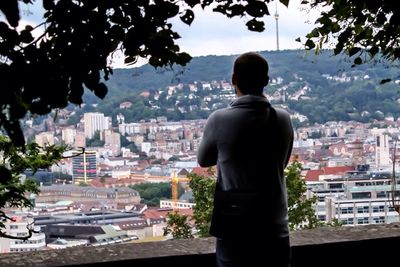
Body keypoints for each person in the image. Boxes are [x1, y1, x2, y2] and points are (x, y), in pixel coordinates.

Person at [197, 52, 294, 267]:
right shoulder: (283, 119)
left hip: (235, 225)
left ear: (233, 79)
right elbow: (282, 162)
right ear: (266, 81)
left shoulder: (219, 119)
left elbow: (203, 160)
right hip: (273, 224)